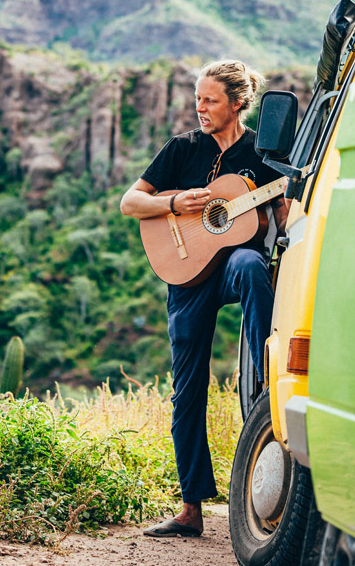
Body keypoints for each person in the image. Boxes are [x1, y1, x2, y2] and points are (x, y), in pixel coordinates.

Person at [120, 59, 288, 537]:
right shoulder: (181, 149)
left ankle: (262, 381)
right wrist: (175, 203)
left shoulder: (263, 151)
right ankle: (191, 509)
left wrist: (291, 209)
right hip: (188, 274)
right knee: (187, 391)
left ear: (237, 103)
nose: (200, 107)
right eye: (197, 98)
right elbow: (130, 203)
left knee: (251, 265)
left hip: (235, 266)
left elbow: (285, 209)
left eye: (209, 100)